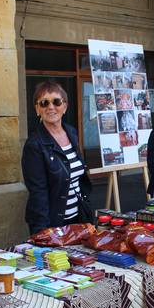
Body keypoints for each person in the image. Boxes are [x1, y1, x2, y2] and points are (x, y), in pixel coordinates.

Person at [22, 81, 93, 234]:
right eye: (44, 103)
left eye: (56, 101)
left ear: (65, 106)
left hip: (78, 219)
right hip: (53, 224)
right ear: (37, 109)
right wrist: (43, 232)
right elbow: (38, 192)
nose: (51, 107)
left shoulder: (71, 133)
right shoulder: (34, 145)